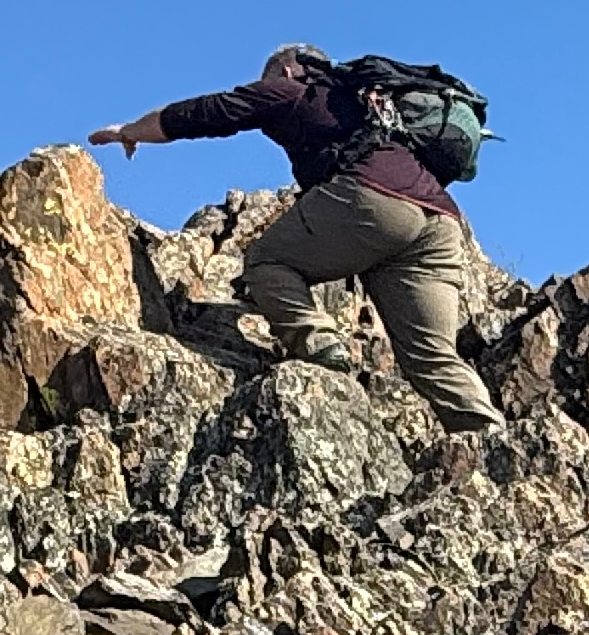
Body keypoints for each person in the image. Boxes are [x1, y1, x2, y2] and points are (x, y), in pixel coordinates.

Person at [89, 46, 500, 431]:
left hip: (375, 203)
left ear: (286, 69)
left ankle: (321, 345)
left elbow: (205, 113)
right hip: (440, 225)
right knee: (432, 356)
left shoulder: (293, 89)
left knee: (268, 262)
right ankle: (490, 439)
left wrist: (130, 130)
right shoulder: (366, 102)